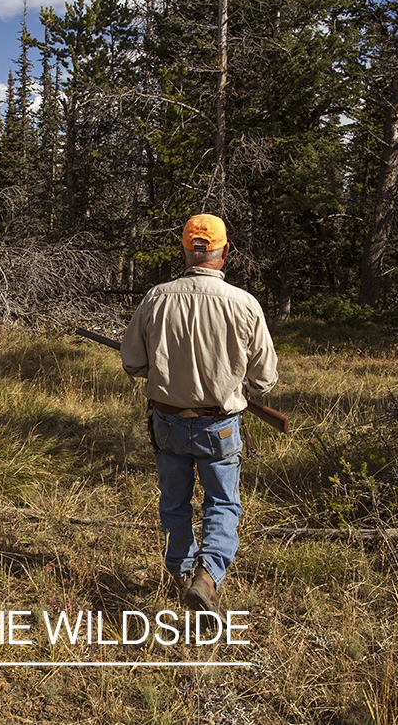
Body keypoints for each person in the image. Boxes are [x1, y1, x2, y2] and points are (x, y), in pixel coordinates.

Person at [121, 214, 278, 614]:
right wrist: (244, 388)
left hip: (168, 421)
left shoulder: (156, 298)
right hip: (220, 426)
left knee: (174, 502)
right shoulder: (244, 304)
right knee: (222, 504)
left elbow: (133, 363)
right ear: (225, 252)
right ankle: (207, 577)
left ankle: (182, 572)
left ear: (185, 250)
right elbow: (264, 378)